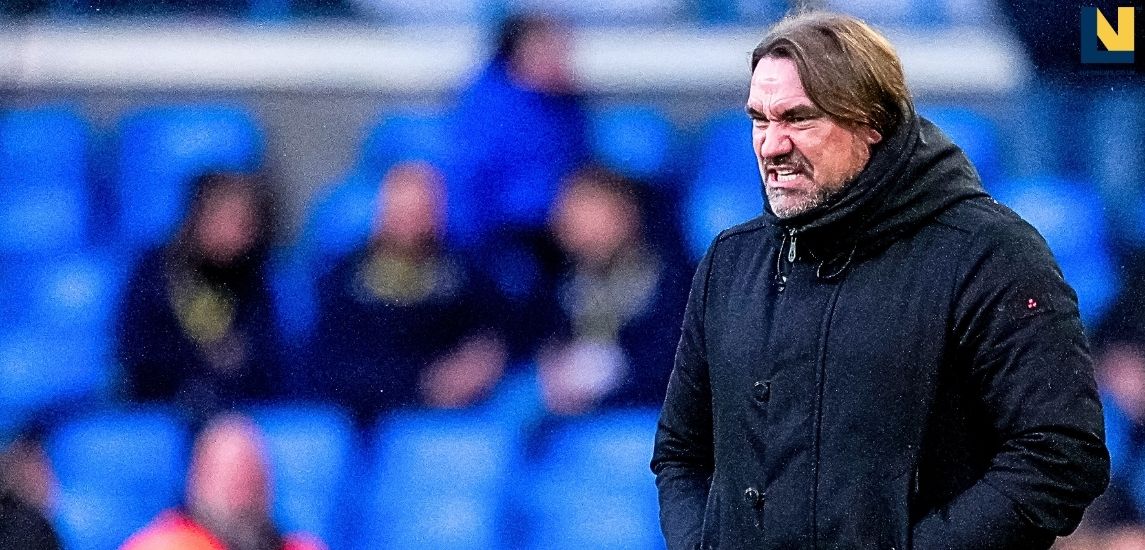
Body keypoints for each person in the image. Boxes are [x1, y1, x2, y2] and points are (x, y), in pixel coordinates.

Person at [650, 11, 1109, 550]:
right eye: (760, 120)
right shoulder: (731, 261)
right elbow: (681, 452)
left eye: (798, 119)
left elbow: (1059, 454)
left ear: (874, 124)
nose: (771, 146)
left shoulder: (990, 253)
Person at [309, 159, 507, 426]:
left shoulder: (466, 277)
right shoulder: (344, 281)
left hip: (454, 422)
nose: (411, 223)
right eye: (402, 210)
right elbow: (332, 371)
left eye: (421, 210)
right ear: (381, 212)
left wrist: (479, 365)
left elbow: (491, 344)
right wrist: (425, 384)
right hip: (370, 424)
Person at [116, 172, 285, 427]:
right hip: (165, 411)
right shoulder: (156, 271)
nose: (233, 233)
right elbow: (137, 354)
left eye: (243, 224)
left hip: (235, 412)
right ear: (198, 217)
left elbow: (264, 361)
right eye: (223, 219)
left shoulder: (255, 278)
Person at [537, 165, 690, 414]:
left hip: (641, 415)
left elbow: (668, 368)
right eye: (568, 215)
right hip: (574, 416)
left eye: (589, 214)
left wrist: (604, 388)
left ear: (626, 215)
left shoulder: (670, 283)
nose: (574, 229)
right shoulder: (563, 282)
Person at [120, 414, 323, 550]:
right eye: (235, 484)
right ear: (198, 481)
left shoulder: (300, 546)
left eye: (254, 480)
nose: (244, 500)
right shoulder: (165, 544)